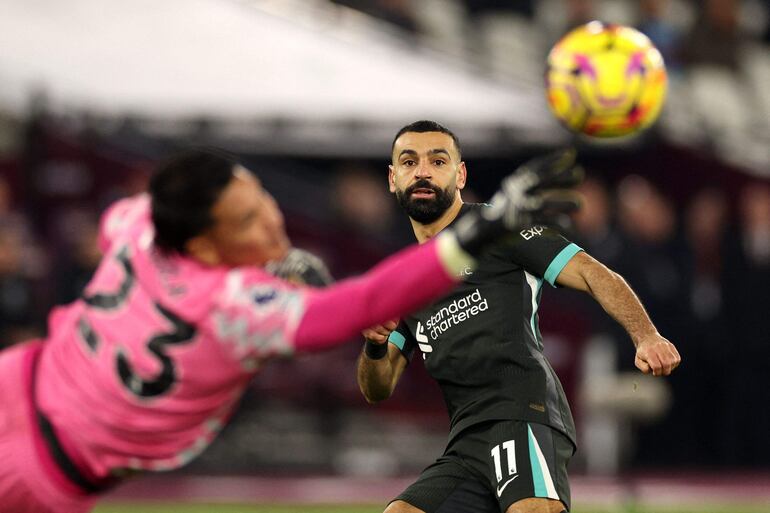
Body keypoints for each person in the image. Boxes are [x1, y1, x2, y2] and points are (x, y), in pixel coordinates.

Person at [0, 147, 580, 513]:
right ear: (205, 244)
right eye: (248, 219)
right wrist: (478, 234)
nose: (272, 219)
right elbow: (361, 303)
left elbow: (115, 227)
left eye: (263, 199)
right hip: (40, 472)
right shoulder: (239, 310)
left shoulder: (137, 227)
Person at [357, 120, 681, 513]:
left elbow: (592, 273)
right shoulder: (403, 279)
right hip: (465, 442)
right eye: (409, 162)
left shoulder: (497, 230)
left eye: (437, 160)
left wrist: (646, 335)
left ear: (460, 175)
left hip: (523, 413)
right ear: (393, 179)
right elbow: (379, 386)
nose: (422, 171)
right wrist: (375, 346)